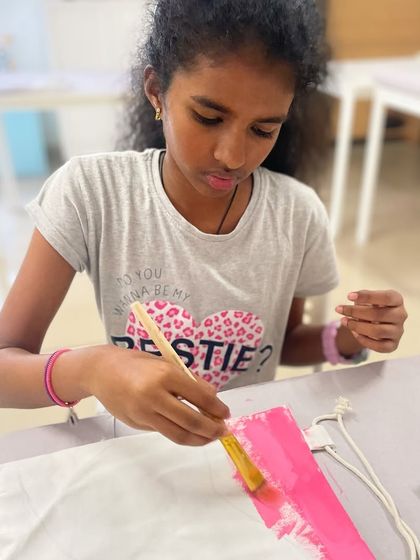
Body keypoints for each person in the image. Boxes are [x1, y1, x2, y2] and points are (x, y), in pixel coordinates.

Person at [0, 0, 407, 447]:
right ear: (156, 90)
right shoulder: (91, 192)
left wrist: (350, 338)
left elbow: (280, 341)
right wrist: (92, 369)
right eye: (208, 118)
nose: (233, 157)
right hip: (134, 445)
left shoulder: (296, 215)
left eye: (263, 130)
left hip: (245, 445)